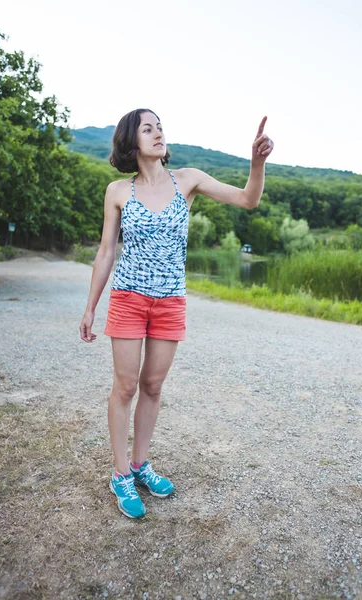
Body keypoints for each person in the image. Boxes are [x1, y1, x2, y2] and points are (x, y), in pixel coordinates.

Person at [79, 108, 274, 518]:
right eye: (148, 128)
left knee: (152, 386)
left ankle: (139, 465)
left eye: (160, 127)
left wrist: (256, 164)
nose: (158, 133)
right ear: (132, 142)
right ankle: (119, 475)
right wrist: (91, 306)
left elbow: (248, 199)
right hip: (129, 299)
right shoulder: (117, 190)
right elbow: (106, 251)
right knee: (126, 386)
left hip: (170, 301)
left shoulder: (187, 180)